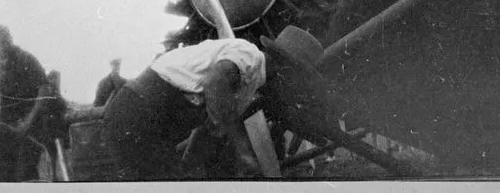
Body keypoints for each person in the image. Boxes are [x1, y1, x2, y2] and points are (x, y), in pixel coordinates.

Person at [102, 26, 337, 180]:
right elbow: (215, 83)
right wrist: (243, 149)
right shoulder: (250, 55)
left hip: (141, 117)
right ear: (287, 69)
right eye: (300, 78)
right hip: (138, 113)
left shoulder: (248, 82)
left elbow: (210, 125)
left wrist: (193, 168)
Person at [0, 24, 47, 181]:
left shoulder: (26, 58)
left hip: (29, 121)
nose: (0, 47)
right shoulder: (0, 58)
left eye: (2, 42)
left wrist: (29, 120)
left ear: (9, 38)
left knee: (26, 172)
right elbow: (1, 78)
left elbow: (44, 87)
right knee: (5, 171)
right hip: (8, 121)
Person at [15, 70, 70, 181]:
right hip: (48, 126)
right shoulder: (47, 91)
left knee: (53, 152)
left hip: (52, 126)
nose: (58, 82)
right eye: (56, 79)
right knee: (51, 151)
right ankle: (53, 175)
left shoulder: (53, 91)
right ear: (51, 79)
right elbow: (49, 105)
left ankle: (54, 175)